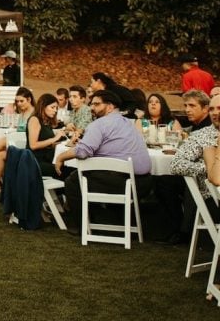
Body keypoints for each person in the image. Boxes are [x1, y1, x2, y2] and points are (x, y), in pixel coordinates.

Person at [54, 90, 152, 234]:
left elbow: (83, 152)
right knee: (92, 176)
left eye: (97, 104)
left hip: (122, 184)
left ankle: (80, 225)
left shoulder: (99, 124)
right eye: (92, 104)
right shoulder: (129, 123)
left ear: (110, 106)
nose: (92, 108)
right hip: (144, 183)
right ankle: (107, 218)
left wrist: (60, 157)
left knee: (73, 180)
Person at [154, 90, 216, 244]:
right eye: (213, 109)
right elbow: (176, 164)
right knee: (167, 183)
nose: (187, 109)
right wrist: (209, 167)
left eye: (192, 106)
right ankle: (182, 229)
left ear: (204, 108)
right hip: (210, 192)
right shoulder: (203, 134)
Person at [26, 93, 68, 178]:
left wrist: (67, 142)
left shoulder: (46, 122)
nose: (55, 110)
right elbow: (33, 145)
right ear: (43, 106)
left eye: (56, 108)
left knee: (69, 168)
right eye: (52, 107)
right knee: (68, 173)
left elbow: (48, 144)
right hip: (35, 161)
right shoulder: (34, 120)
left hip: (47, 158)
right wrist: (55, 138)